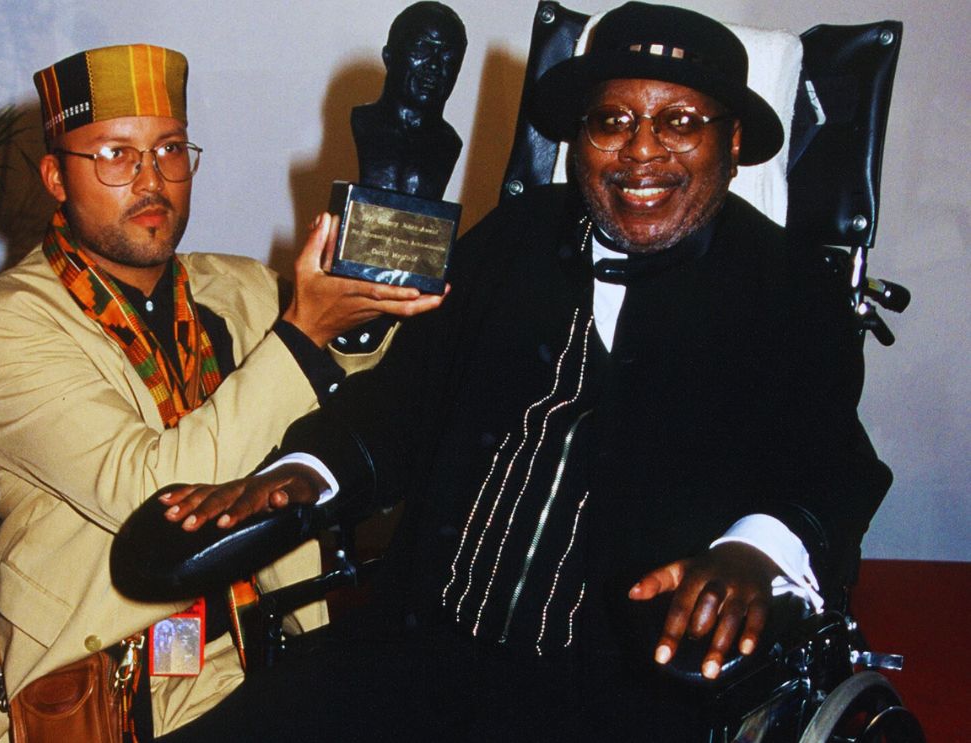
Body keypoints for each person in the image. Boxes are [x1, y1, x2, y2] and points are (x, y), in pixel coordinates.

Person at [155, 4, 891, 740]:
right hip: (410, 648)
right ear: (579, 139)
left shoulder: (790, 289)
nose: (641, 151)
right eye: (611, 122)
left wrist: (750, 553)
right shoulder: (516, 236)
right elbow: (403, 399)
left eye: (679, 122)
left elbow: (830, 465)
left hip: (616, 696)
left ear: (731, 143)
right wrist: (308, 469)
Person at [0, 43, 443, 743]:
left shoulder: (232, 285)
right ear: (55, 176)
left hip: (252, 645)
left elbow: (350, 397)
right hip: (101, 674)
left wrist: (358, 318)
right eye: (115, 154)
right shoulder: (2, 327)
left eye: (170, 150)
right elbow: (150, 493)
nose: (151, 180)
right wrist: (301, 333)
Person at [351, 1, 467, 199]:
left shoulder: (448, 143)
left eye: (448, 55)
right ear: (389, 57)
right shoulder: (363, 123)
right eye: (422, 48)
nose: (434, 66)